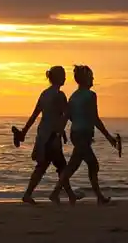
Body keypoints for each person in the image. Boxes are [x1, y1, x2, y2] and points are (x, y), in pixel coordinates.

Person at [49, 65, 117, 206]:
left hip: (76, 134)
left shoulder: (73, 97)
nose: (93, 79)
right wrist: (108, 137)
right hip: (83, 135)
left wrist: (59, 133)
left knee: (75, 165)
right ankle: (56, 193)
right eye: (91, 76)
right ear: (86, 79)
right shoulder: (90, 96)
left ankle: (98, 197)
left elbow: (67, 117)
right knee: (91, 165)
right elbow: (95, 118)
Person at [16, 65, 79, 204]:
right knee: (58, 166)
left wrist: (24, 131)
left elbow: (35, 115)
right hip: (52, 136)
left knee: (51, 165)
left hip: (43, 135)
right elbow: (65, 115)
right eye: (63, 75)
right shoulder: (59, 95)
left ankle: (68, 195)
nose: (65, 78)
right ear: (57, 77)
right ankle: (65, 195)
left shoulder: (44, 94)